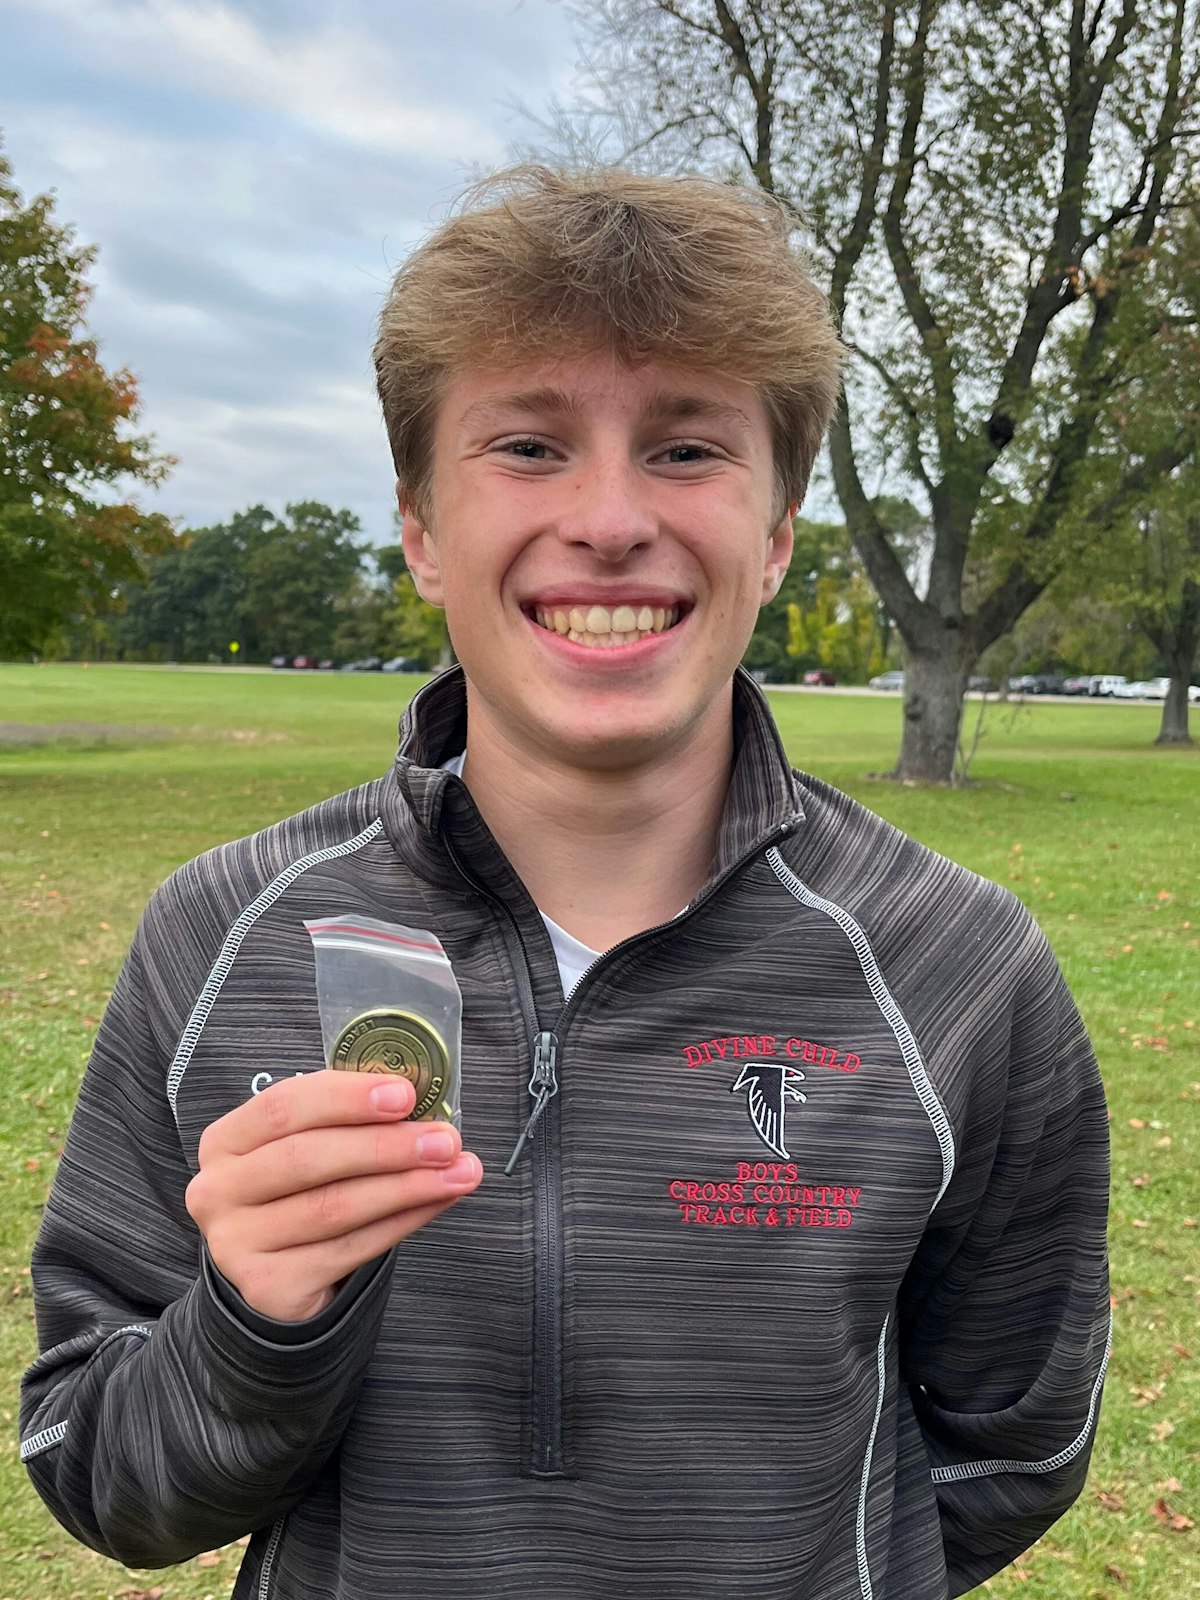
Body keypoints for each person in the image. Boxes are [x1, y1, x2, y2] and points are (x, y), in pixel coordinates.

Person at [20, 167, 1110, 1600]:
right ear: (420, 528)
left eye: (687, 450)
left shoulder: (959, 968)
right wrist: (254, 1326)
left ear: (777, 530)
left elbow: (1011, 1449)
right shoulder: (223, 934)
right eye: (528, 445)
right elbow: (100, 1471)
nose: (608, 519)